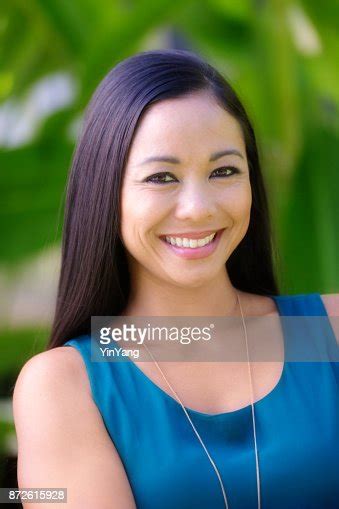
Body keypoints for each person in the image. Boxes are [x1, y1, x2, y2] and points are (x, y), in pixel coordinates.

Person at [12, 49, 339, 509]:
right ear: (107, 192)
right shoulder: (64, 387)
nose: (198, 208)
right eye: (162, 177)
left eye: (224, 171)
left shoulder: (328, 331)